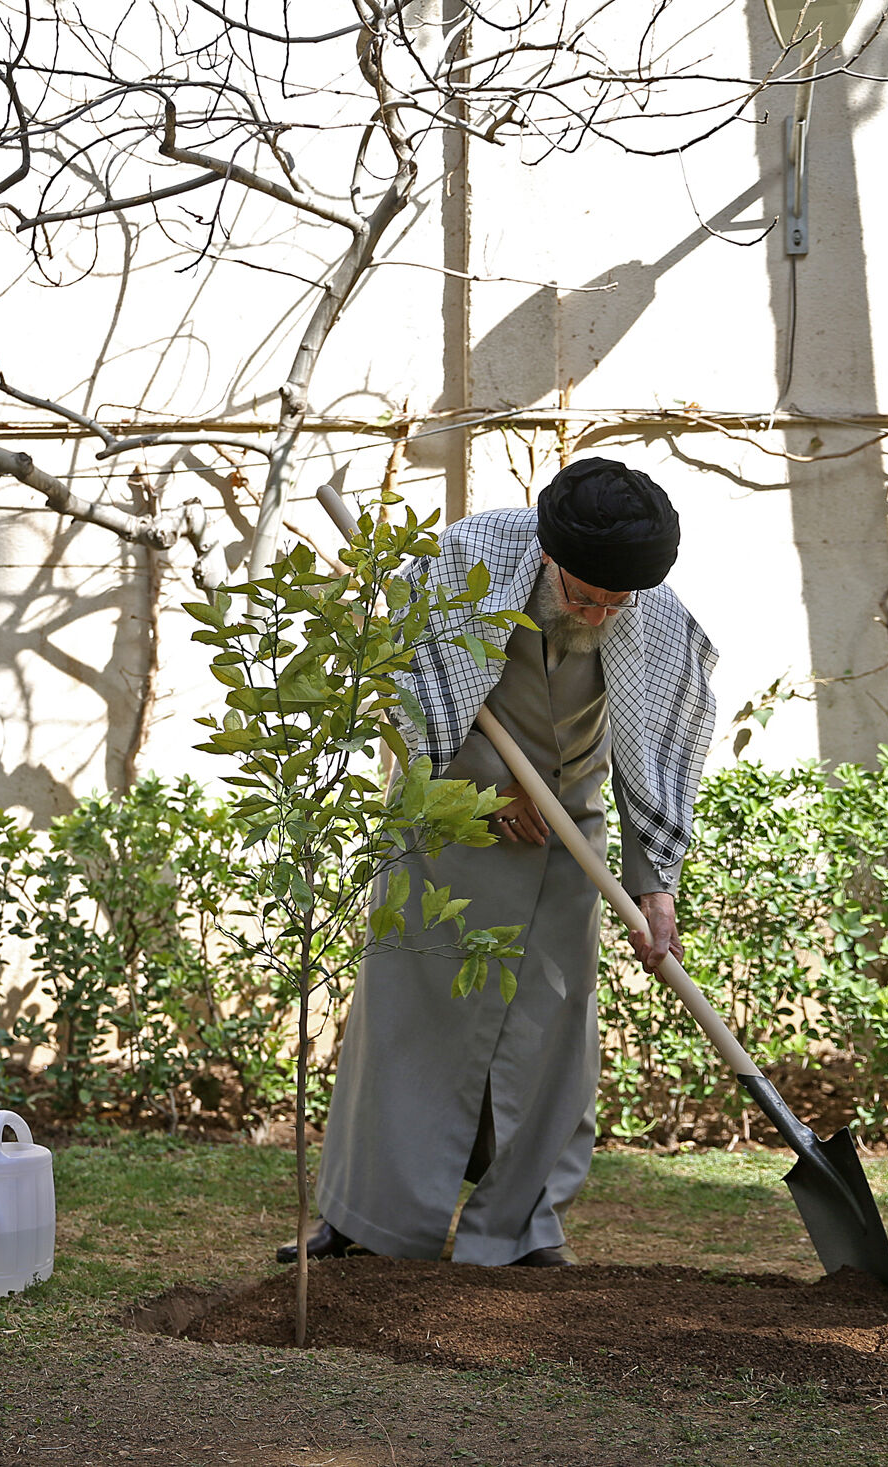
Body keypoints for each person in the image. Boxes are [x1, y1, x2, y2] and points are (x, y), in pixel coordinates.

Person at [280, 457, 718, 1268]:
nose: (598, 611)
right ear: (550, 557)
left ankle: (519, 1233)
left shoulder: (648, 613)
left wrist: (656, 886)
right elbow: (408, 686)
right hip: (448, 824)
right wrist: (486, 794)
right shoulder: (472, 560)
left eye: (612, 602)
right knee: (408, 1029)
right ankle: (368, 1224)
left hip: (565, 845)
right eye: (584, 594)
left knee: (551, 1040)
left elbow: (657, 751)